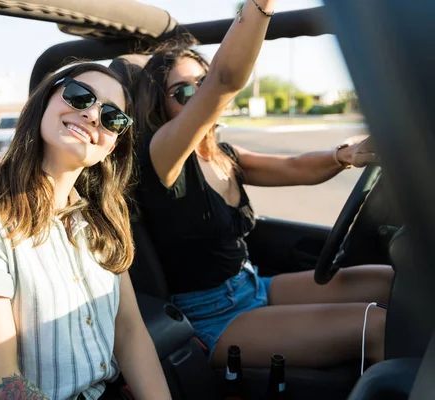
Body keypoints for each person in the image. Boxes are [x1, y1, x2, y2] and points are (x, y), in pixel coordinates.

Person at [134, 0, 393, 369]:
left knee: (387, 280)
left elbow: (295, 167)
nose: (199, 95)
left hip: (253, 286)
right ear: (158, 105)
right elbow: (225, 79)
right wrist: (260, 6)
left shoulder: (222, 153)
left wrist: (345, 155)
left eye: (201, 82)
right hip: (213, 320)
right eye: (183, 92)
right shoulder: (162, 155)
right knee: (379, 326)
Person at [0, 63, 171, 400]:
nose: (95, 115)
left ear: (111, 146)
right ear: (42, 104)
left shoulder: (102, 221)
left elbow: (129, 333)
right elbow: (3, 386)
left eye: (113, 117)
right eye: (80, 96)